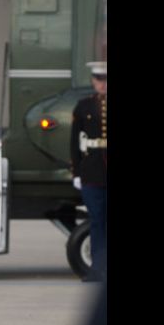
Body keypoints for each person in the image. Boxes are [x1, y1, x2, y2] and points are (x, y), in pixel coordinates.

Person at [70, 61, 107, 282]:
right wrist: (76, 172)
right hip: (92, 172)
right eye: (99, 80)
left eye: (106, 80)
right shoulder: (83, 107)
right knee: (97, 220)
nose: (102, 85)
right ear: (93, 81)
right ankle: (97, 269)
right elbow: (75, 142)